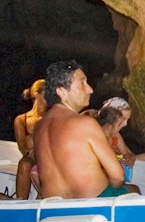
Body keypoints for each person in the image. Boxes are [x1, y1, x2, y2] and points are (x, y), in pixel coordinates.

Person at [31, 60, 128, 198]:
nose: (90, 89)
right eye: (82, 83)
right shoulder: (85, 123)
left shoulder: (39, 127)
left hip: (54, 207)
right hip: (93, 204)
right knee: (133, 189)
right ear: (62, 92)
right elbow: (118, 176)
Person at [13, 78, 47, 199]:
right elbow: (22, 146)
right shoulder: (21, 119)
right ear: (36, 95)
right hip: (31, 155)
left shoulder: (52, 116)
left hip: (47, 155)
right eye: (46, 95)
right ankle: (20, 202)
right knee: (24, 163)